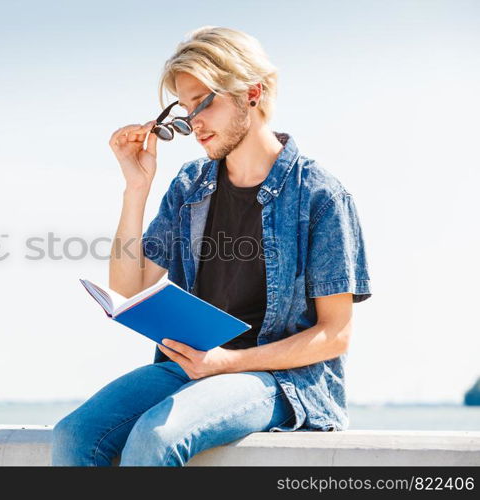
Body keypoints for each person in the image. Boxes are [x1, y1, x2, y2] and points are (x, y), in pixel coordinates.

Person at [51, 26, 372, 466]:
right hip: (192, 366)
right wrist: (136, 188)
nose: (194, 123)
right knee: (75, 436)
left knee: (155, 438)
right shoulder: (190, 186)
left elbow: (335, 333)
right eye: (184, 111)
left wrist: (225, 364)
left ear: (252, 93)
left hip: (281, 381)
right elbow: (127, 289)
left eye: (203, 103)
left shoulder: (319, 195)